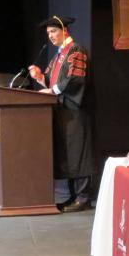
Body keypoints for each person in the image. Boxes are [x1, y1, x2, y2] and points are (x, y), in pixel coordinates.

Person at [28, 15, 95, 212]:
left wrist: (52, 90)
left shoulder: (76, 50)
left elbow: (76, 79)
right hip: (64, 111)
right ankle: (74, 196)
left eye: (53, 31)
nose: (50, 36)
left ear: (65, 30)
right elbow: (51, 79)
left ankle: (83, 198)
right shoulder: (59, 55)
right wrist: (40, 77)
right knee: (70, 154)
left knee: (78, 153)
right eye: (48, 33)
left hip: (76, 111)